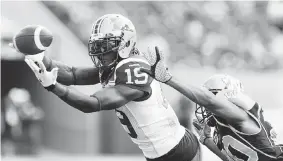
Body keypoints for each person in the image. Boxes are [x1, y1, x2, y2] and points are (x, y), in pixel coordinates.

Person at [11, 14, 201, 161]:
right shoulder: (116, 65)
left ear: (125, 43)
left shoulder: (134, 70)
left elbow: (91, 104)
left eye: (106, 45)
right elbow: (73, 74)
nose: (100, 52)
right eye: (98, 45)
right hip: (161, 153)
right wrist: (40, 58)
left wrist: (53, 86)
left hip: (179, 152)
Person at [141, 46, 283, 161]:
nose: (204, 106)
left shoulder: (241, 116)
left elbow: (209, 101)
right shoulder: (227, 126)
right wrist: (208, 141)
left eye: (212, 93)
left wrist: (168, 79)